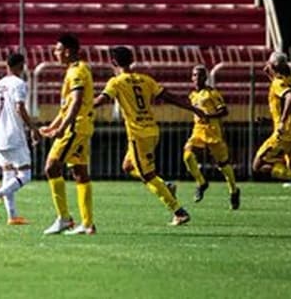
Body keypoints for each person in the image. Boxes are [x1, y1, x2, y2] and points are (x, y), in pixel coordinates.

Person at [93, 46, 205, 226]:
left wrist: (82, 107)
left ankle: (178, 211)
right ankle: (165, 186)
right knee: (128, 166)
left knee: (147, 176)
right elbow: (169, 97)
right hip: (152, 130)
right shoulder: (146, 80)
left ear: (113, 62)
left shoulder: (116, 82)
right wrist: (193, 108)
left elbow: (102, 100)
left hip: (139, 135)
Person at [40, 34, 96, 235]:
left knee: (52, 167)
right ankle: (88, 224)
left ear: (67, 51)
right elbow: (67, 105)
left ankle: (64, 218)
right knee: (80, 173)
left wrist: (63, 127)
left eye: (57, 49)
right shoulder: (75, 70)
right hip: (80, 126)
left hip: (75, 127)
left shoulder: (77, 72)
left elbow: (76, 102)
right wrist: (53, 125)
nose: (55, 53)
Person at [0, 53, 40, 225]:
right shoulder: (19, 83)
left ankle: (12, 216)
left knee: (8, 176)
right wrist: (33, 128)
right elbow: (19, 108)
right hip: (14, 136)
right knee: (26, 175)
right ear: (21, 66)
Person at [183, 65, 240, 210]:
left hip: (213, 132)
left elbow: (224, 111)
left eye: (201, 75)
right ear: (191, 78)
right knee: (187, 155)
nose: (197, 78)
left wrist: (208, 116)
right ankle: (201, 183)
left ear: (206, 77)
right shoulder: (192, 95)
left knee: (223, 165)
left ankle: (234, 191)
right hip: (198, 131)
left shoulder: (212, 94)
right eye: (195, 75)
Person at [252, 51, 291, 196]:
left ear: (273, 65)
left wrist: (281, 122)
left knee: (258, 165)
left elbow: (290, 97)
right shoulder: (290, 80)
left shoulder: (278, 84)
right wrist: (271, 121)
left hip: (284, 135)